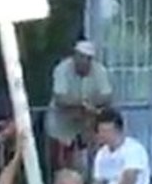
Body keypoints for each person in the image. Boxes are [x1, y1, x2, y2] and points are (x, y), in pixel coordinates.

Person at [45, 41, 113, 173]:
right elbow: (60, 98)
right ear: (75, 56)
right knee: (61, 165)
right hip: (61, 125)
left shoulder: (99, 70)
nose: (83, 62)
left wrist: (87, 105)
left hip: (86, 126)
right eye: (80, 57)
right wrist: (83, 103)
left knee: (90, 161)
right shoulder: (62, 69)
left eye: (87, 59)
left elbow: (107, 96)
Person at [80, 108, 152, 184]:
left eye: (108, 131)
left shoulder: (134, 149)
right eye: (102, 131)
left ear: (119, 130)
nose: (104, 135)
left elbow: (128, 182)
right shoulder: (102, 153)